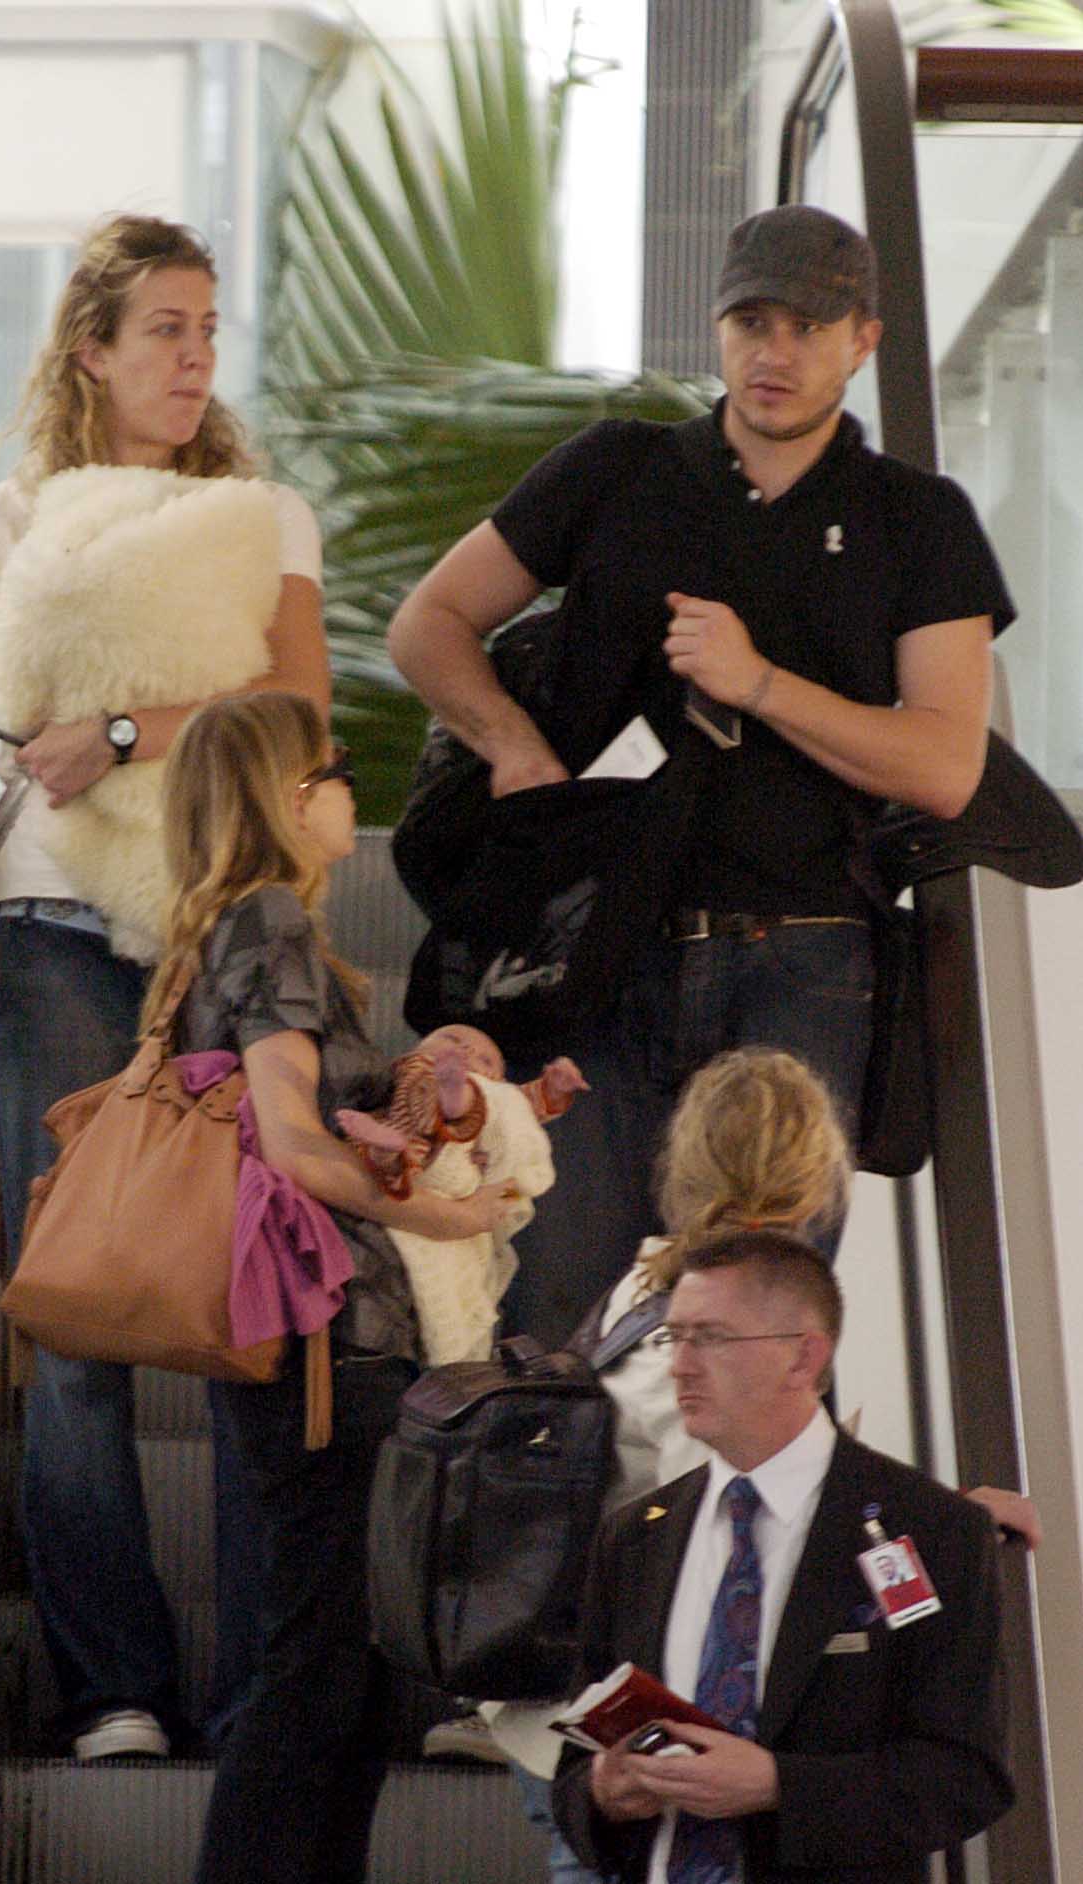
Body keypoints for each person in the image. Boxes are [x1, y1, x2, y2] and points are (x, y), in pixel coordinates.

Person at [0, 214, 329, 1759]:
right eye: (165, 330)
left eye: (207, 329)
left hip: (225, 929)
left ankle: (266, 1695)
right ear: (92, 352)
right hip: (51, 934)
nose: (195, 358)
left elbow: (301, 710)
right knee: (77, 1317)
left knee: (252, 1308)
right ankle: (116, 1686)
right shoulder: (1, 522)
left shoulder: (263, 522)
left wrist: (130, 729)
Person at [388, 203, 1015, 1346]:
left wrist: (759, 682)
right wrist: (515, 751)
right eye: (751, 321)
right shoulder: (620, 470)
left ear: (864, 339)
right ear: (716, 328)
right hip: (598, 952)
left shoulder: (916, 522)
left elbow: (944, 763)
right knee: (548, 1324)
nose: (774, 353)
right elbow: (428, 621)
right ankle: (557, 1525)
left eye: (808, 326)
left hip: (805, 965)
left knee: (758, 1336)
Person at [476, 1048, 1036, 1884]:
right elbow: (742, 1508)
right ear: (820, 1178)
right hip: (633, 1753)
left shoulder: (635, 1294)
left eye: (712, 1344)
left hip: (556, 1716)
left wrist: (931, 1514)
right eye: (692, 1344)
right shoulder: (713, 1344)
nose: (686, 1362)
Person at [143, 691, 512, 1884]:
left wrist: (422, 1082)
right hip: (326, 1347)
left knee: (347, 1674)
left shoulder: (244, 932)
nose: (353, 790)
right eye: (338, 768)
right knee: (320, 1670)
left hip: (325, 1343)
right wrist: (442, 1211)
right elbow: (296, 1146)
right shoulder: (267, 924)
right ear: (286, 792)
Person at [551, 1229, 1015, 1883]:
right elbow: (574, 1770)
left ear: (802, 1359)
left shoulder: (932, 1531)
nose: (680, 1364)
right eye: (672, 1337)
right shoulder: (635, 1537)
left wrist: (778, 1786)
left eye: (709, 1338)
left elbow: (965, 1777)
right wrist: (603, 1789)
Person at [336, 1024, 587, 1363]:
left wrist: (555, 1089)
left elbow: (528, 1107)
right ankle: (391, 1142)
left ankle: (445, 1104)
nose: (466, 1052)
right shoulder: (404, 1072)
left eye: (484, 1058)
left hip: (455, 1163)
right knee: (383, 1152)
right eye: (453, 1040)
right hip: (412, 1149)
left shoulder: (498, 1095)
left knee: (473, 1100)